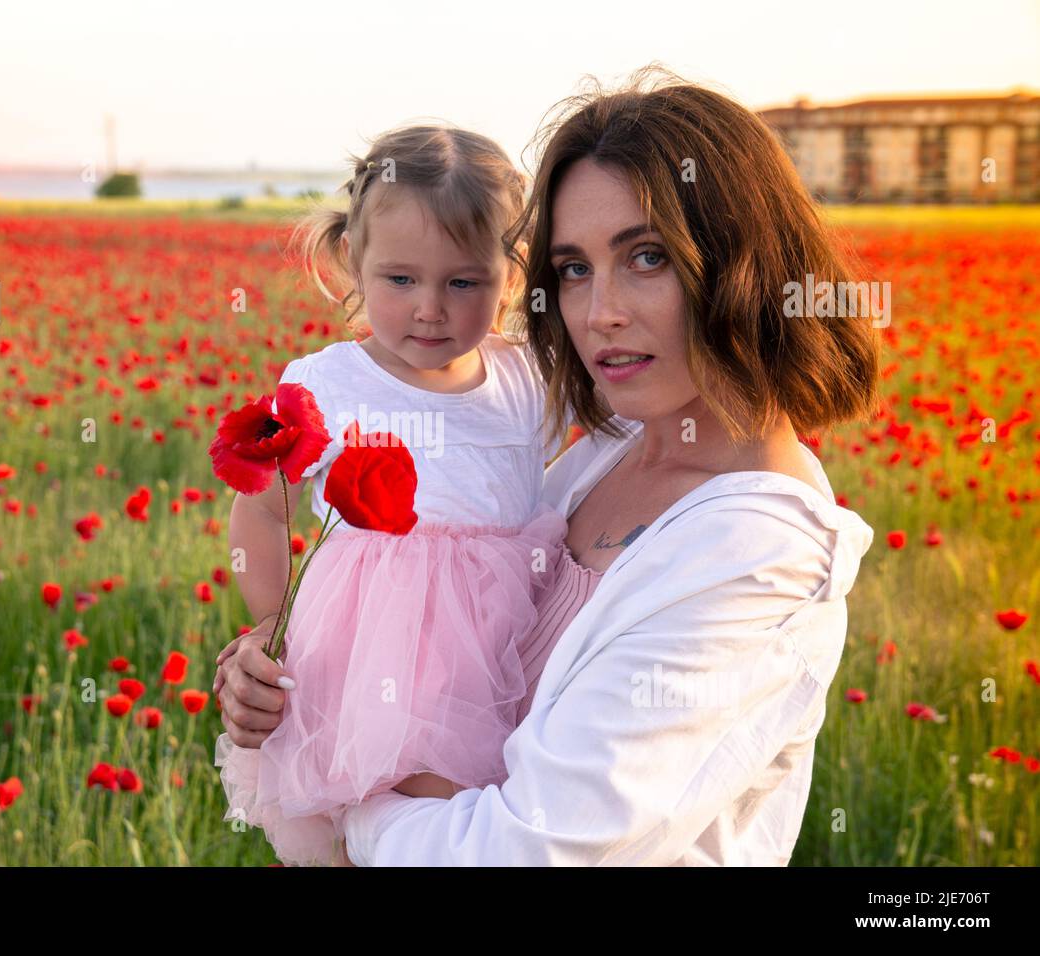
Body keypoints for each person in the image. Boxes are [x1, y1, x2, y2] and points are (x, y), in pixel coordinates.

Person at [216, 71, 881, 866]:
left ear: (743, 260)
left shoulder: (755, 552)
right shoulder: (614, 443)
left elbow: (530, 847)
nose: (599, 312)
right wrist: (278, 657)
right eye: (573, 269)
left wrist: (354, 810)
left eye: (647, 257)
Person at [213, 124, 569, 866]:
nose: (430, 309)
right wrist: (273, 621)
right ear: (352, 259)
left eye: (463, 282)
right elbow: (260, 507)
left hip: (493, 664)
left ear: (512, 274)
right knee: (350, 831)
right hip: (356, 663)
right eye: (400, 280)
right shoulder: (327, 385)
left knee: (450, 831)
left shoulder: (527, 381)